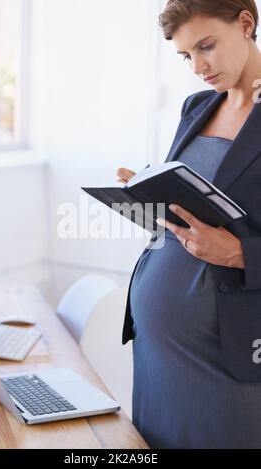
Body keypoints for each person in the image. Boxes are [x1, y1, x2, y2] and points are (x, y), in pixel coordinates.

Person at [119, 0, 261, 449]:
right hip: (158, 353)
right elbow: (197, 211)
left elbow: (229, 240)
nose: (198, 67)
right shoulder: (197, 106)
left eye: (206, 46)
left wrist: (238, 253)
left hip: (228, 358)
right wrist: (147, 197)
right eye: (186, 56)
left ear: (245, 23)